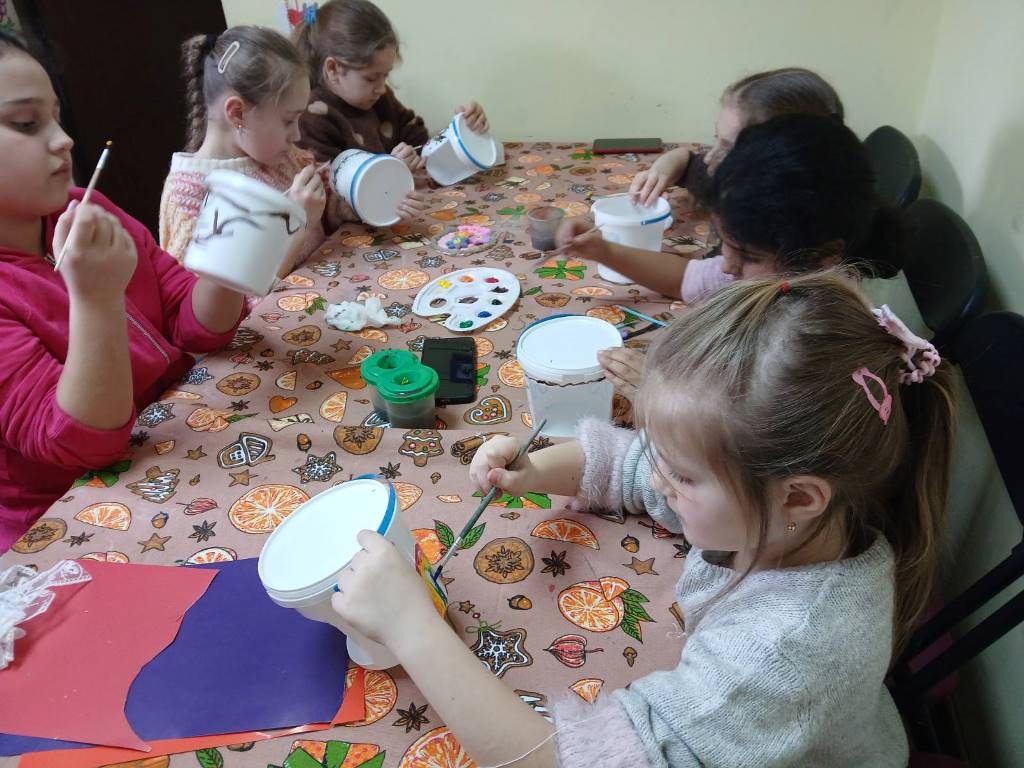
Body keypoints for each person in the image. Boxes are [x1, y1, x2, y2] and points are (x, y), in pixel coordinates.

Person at [332, 271, 954, 767]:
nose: (659, 478)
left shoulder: (782, 655)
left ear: (797, 498)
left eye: (681, 475)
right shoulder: (798, 517)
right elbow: (637, 464)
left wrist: (410, 626)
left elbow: (557, 761)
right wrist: (536, 470)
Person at [0, 31, 246, 550]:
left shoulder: (84, 209)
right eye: (26, 123)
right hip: (70, 521)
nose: (63, 140)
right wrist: (97, 300)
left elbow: (195, 324)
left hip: (172, 445)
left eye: (56, 117)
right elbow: (80, 442)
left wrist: (230, 254)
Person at [562, 114, 903, 397]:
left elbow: (737, 446)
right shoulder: (781, 275)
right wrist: (604, 251)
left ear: (824, 256)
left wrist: (656, 398)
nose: (727, 265)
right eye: (724, 241)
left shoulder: (815, 348)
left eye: (747, 255)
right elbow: (685, 279)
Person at [291, 0, 485, 220]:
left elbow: (421, 145)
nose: (382, 88)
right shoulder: (312, 118)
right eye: (371, 78)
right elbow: (326, 206)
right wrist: (389, 172)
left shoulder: (378, 98)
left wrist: (463, 133)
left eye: (386, 75)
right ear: (333, 69)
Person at [158, 26, 328, 276]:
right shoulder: (190, 196)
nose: (297, 135)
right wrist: (297, 223)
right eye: (289, 121)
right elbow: (234, 299)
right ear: (238, 113)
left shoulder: (284, 157)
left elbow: (326, 210)